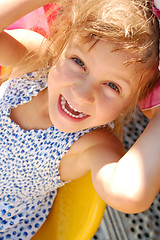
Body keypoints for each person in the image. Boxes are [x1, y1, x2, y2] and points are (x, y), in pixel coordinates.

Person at [0, 0, 159, 239]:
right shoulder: (37, 60)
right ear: (62, 43)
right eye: (79, 62)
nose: (82, 94)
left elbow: (129, 193)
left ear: (130, 104)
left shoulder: (92, 143)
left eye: (112, 86)